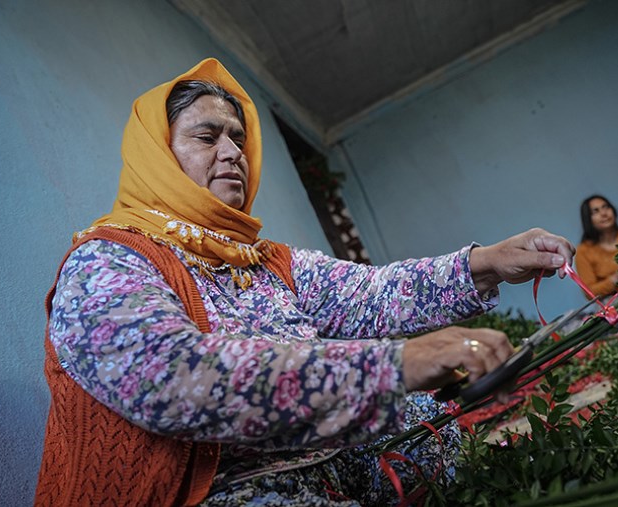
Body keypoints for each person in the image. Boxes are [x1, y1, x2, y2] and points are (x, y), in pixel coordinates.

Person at [35, 58, 575, 507]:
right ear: (156, 154)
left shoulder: (264, 261)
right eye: (206, 136)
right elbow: (174, 379)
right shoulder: (107, 259)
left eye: (238, 139)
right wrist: (394, 366)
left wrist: (486, 261)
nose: (232, 153)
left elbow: (373, 294)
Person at [575, 194, 618, 297]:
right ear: (588, 219)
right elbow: (589, 293)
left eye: (606, 207)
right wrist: (615, 279)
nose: (604, 213)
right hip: (616, 303)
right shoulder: (584, 251)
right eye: (596, 211)